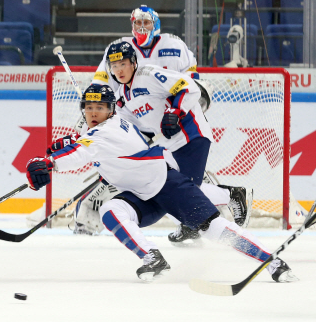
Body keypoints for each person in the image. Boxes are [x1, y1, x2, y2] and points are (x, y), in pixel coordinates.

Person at [25, 83, 298, 282]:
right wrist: (64, 146)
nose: (93, 112)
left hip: (169, 186)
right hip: (142, 195)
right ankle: (152, 258)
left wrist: (50, 162)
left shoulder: (105, 132)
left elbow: (83, 150)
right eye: (89, 107)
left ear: (111, 110)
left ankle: (272, 261)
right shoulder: (101, 129)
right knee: (111, 211)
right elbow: (84, 143)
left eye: (100, 107)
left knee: (216, 230)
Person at [62, 23, 249, 246]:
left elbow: (188, 86)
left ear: (133, 63)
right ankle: (200, 217)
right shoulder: (122, 97)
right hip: (169, 142)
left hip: (191, 134)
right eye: (114, 66)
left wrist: (174, 111)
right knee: (166, 184)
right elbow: (124, 132)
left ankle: (231, 196)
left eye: (123, 64)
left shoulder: (149, 74)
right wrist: (107, 158)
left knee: (187, 189)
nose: (119, 70)